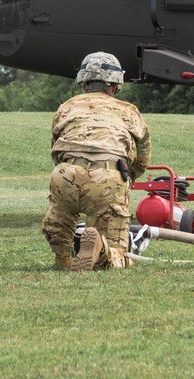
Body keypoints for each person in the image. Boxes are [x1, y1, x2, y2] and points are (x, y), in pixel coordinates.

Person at [42, 51, 151, 272]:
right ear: (115, 85)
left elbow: (55, 148)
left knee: (59, 218)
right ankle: (102, 250)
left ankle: (62, 258)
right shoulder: (128, 111)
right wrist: (127, 178)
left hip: (65, 175)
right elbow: (142, 156)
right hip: (107, 177)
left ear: (84, 82)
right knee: (118, 254)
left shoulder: (66, 107)